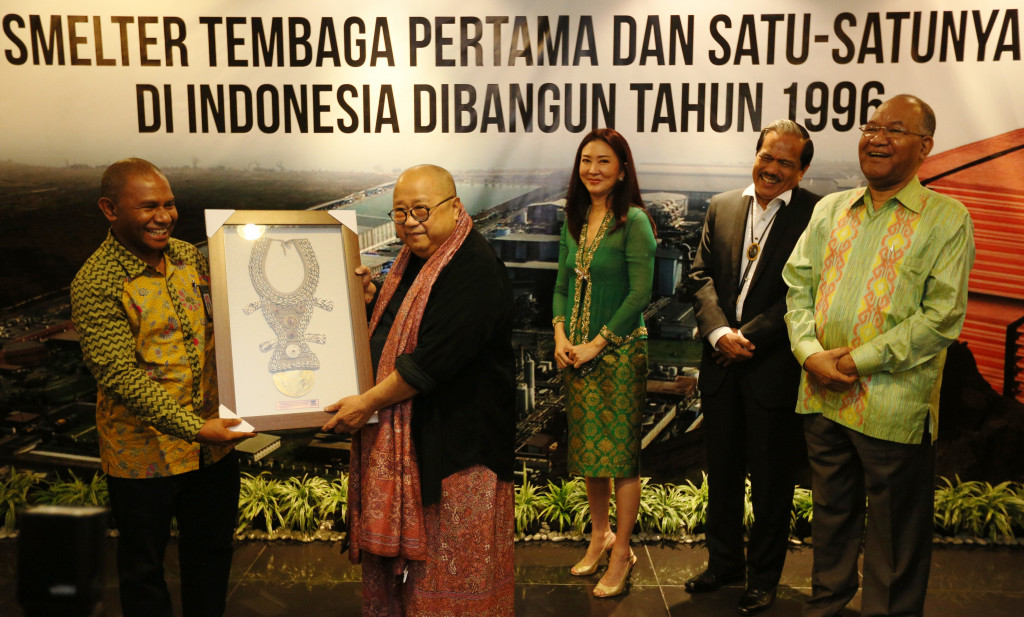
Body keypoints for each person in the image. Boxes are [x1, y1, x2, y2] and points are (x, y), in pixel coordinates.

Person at [783, 95, 975, 617]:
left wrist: (853, 362)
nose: (877, 137)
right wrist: (809, 353)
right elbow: (797, 286)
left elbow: (941, 318)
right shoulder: (829, 208)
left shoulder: (947, 218)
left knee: (894, 539)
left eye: (895, 129)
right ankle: (828, 606)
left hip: (892, 406)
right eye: (871, 126)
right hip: (821, 396)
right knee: (831, 519)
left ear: (925, 147)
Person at [322, 164, 515, 616]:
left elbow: (427, 363)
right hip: (423, 445)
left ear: (455, 206)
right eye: (400, 212)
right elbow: (394, 333)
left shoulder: (473, 270)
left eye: (423, 210)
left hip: (463, 455)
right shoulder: (415, 263)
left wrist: (364, 405)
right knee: (419, 588)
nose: (410, 222)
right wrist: (366, 303)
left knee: (455, 581)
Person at [70, 157, 255, 617]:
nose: (165, 217)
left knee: (211, 559)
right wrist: (196, 428)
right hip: (143, 458)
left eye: (170, 205)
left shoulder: (188, 257)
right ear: (110, 209)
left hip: (211, 450)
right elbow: (120, 376)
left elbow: (242, 314)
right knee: (143, 574)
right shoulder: (96, 283)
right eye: (149, 206)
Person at [688, 120, 820, 615]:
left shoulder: (815, 215)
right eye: (768, 156)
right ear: (756, 155)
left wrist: (752, 336)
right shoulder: (722, 206)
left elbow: (808, 292)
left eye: (787, 162)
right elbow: (700, 277)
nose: (773, 168)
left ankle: (763, 579)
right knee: (720, 474)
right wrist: (720, 333)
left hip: (773, 369)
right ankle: (724, 563)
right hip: (720, 363)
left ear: (802, 170)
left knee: (771, 482)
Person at [552, 128, 657, 598]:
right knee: (591, 452)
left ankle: (622, 552)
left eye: (604, 162)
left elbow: (641, 293)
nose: (593, 169)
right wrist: (560, 335)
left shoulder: (633, 221)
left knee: (621, 458)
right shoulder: (574, 219)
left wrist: (598, 342)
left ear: (622, 170)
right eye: (586, 160)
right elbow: (559, 286)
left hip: (619, 354)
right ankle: (600, 535)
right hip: (575, 352)